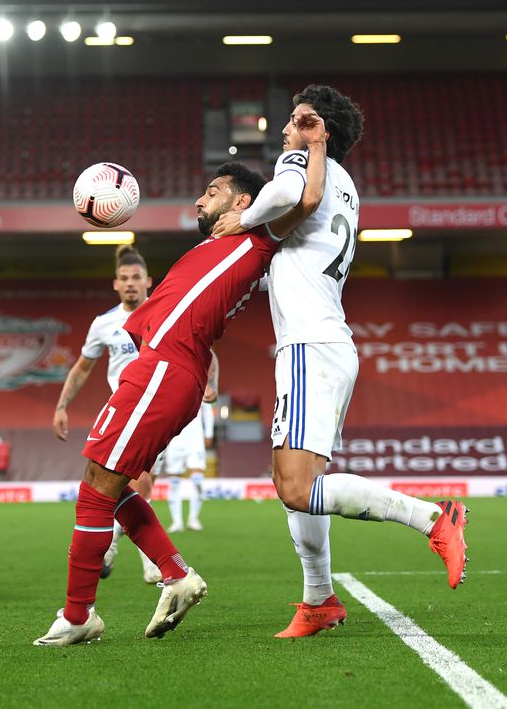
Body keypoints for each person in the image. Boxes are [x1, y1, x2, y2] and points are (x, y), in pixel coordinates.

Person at [35, 146, 328, 647]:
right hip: (159, 368)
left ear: (243, 202)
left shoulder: (256, 236)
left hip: (165, 369)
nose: (198, 200)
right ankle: (175, 574)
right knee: (108, 484)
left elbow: (308, 198)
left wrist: (314, 143)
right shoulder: (214, 246)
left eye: (211, 192)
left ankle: (79, 616)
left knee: (94, 492)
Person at [212, 84, 469, 639]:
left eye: (294, 120)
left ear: (313, 126)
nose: (284, 128)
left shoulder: (301, 157)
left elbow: (283, 196)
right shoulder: (347, 186)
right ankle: (318, 599)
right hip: (324, 341)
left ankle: (432, 517)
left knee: (296, 486)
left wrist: (244, 218)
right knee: (297, 482)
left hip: (310, 344)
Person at [53, 244, 214, 582]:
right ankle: (149, 562)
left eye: (136, 277)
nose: (130, 283)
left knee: (132, 487)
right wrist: (62, 406)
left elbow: (207, 353)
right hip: (122, 412)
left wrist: (210, 384)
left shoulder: (168, 314)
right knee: (136, 485)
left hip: (158, 411)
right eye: (124, 278)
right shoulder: (104, 323)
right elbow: (83, 367)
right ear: (115, 283)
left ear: (148, 281)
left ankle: (116, 545)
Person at [155, 398, 212, 533]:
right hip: (175, 440)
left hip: (196, 441)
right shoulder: (169, 388)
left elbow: (207, 409)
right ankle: (177, 521)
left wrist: (209, 433)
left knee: (197, 480)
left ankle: (193, 518)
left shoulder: (199, 385)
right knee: (174, 483)